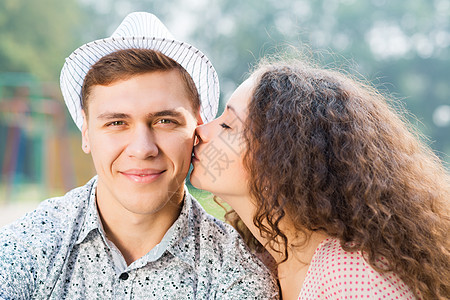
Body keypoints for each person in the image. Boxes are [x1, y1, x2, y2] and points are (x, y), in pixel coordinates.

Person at [0, 12, 279, 299]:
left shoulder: (237, 277)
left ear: (197, 126)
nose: (143, 149)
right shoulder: (28, 247)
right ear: (86, 132)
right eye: (116, 123)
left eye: (164, 121)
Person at [190, 56, 450, 300]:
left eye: (227, 126)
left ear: (280, 157)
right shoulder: (265, 263)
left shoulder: (350, 277)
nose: (200, 131)